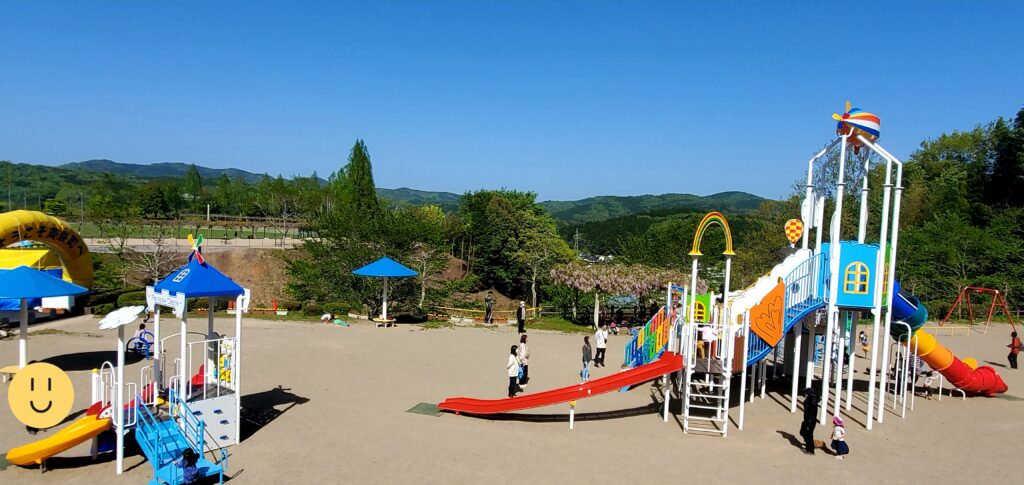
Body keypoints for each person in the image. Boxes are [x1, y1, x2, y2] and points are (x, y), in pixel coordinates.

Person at [799, 387, 820, 454]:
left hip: (810, 421)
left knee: (809, 435)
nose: (805, 394)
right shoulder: (809, 399)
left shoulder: (812, 402)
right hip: (807, 419)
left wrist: (809, 421)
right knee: (802, 432)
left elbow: (811, 411)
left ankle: (810, 449)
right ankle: (808, 443)